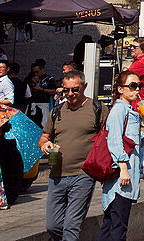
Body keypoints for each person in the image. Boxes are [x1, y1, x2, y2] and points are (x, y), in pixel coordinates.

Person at [40, 70, 106, 241]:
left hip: (83, 174)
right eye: (66, 90)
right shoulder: (57, 111)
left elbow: (109, 137)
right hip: (57, 175)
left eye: (75, 90)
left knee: (71, 226)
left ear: (84, 86)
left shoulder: (97, 108)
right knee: (53, 225)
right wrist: (45, 145)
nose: (70, 94)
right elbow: (44, 137)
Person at [98, 71, 144, 241]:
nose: (137, 90)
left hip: (124, 177)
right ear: (120, 89)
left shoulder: (129, 109)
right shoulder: (119, 109)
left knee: (111, 224)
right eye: (132, 86)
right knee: (118, 226)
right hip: (120, 179)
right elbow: (114, 140)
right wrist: (123, 167)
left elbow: (136, 142)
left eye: (139, 86)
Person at [126, 37, 144, 103]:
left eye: (134, 47)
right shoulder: (141, 61)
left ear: (143, 49)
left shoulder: (143, 62)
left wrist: (125, 70)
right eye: (131, 46)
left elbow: (124, 77)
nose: (131, 48)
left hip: (137, 102)